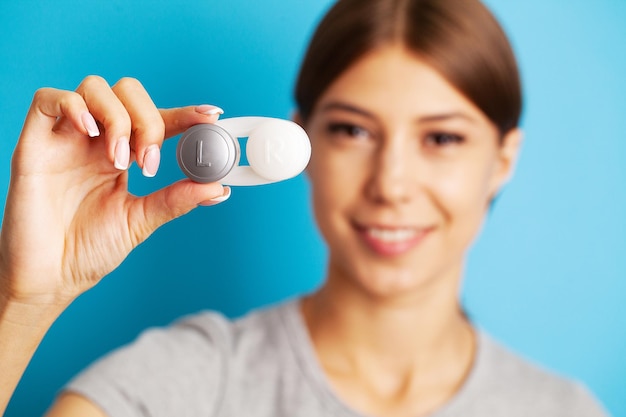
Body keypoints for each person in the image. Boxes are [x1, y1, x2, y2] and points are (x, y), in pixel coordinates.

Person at [0, 0, 609, 416]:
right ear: (299, 144)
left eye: (442, 138)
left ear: (502, 161)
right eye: (353, 131)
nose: (391, 185)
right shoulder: (186, 383)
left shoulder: (563, 409)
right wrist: (27, 302)